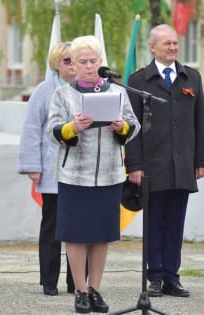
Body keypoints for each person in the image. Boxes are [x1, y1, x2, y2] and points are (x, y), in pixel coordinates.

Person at [46, 35, 140, 314]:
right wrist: (72, 127)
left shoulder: (117, 92)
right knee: (75, 234)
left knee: (101, 235)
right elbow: (52, 131)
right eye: (82, 61)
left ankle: (96, 289)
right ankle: (80, 291)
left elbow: (133, 126)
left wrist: (121, 126)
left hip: (109, 175)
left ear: (101, 63)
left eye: (93, 61)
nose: (89, 66)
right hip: (75, 176)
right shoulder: (62, 95)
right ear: (73, 65)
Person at [124, 24, 204, 298]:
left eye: (175, 43)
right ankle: (155, 276)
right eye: (166, 44)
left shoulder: (191, 78)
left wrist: (202, 160)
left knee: (175, 222)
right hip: (152, 166)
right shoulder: (139, 82)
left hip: (182, 164)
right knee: (154, 222)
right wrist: (134, 165)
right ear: (152, 47)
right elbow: (131, 128)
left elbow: (201, 122)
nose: (172, 48)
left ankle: (172, 276)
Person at [18, 42, 77, 296]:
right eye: (67, 61)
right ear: (55, 64)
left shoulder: (88, 89)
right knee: (52, 226)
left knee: (79, 228)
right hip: (53, 170)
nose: (73, 65)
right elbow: (32, 129)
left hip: (81, 173)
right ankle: (49, 280)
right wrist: (33, 166)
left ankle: (77, 282)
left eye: (76, 60)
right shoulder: (44, 91)